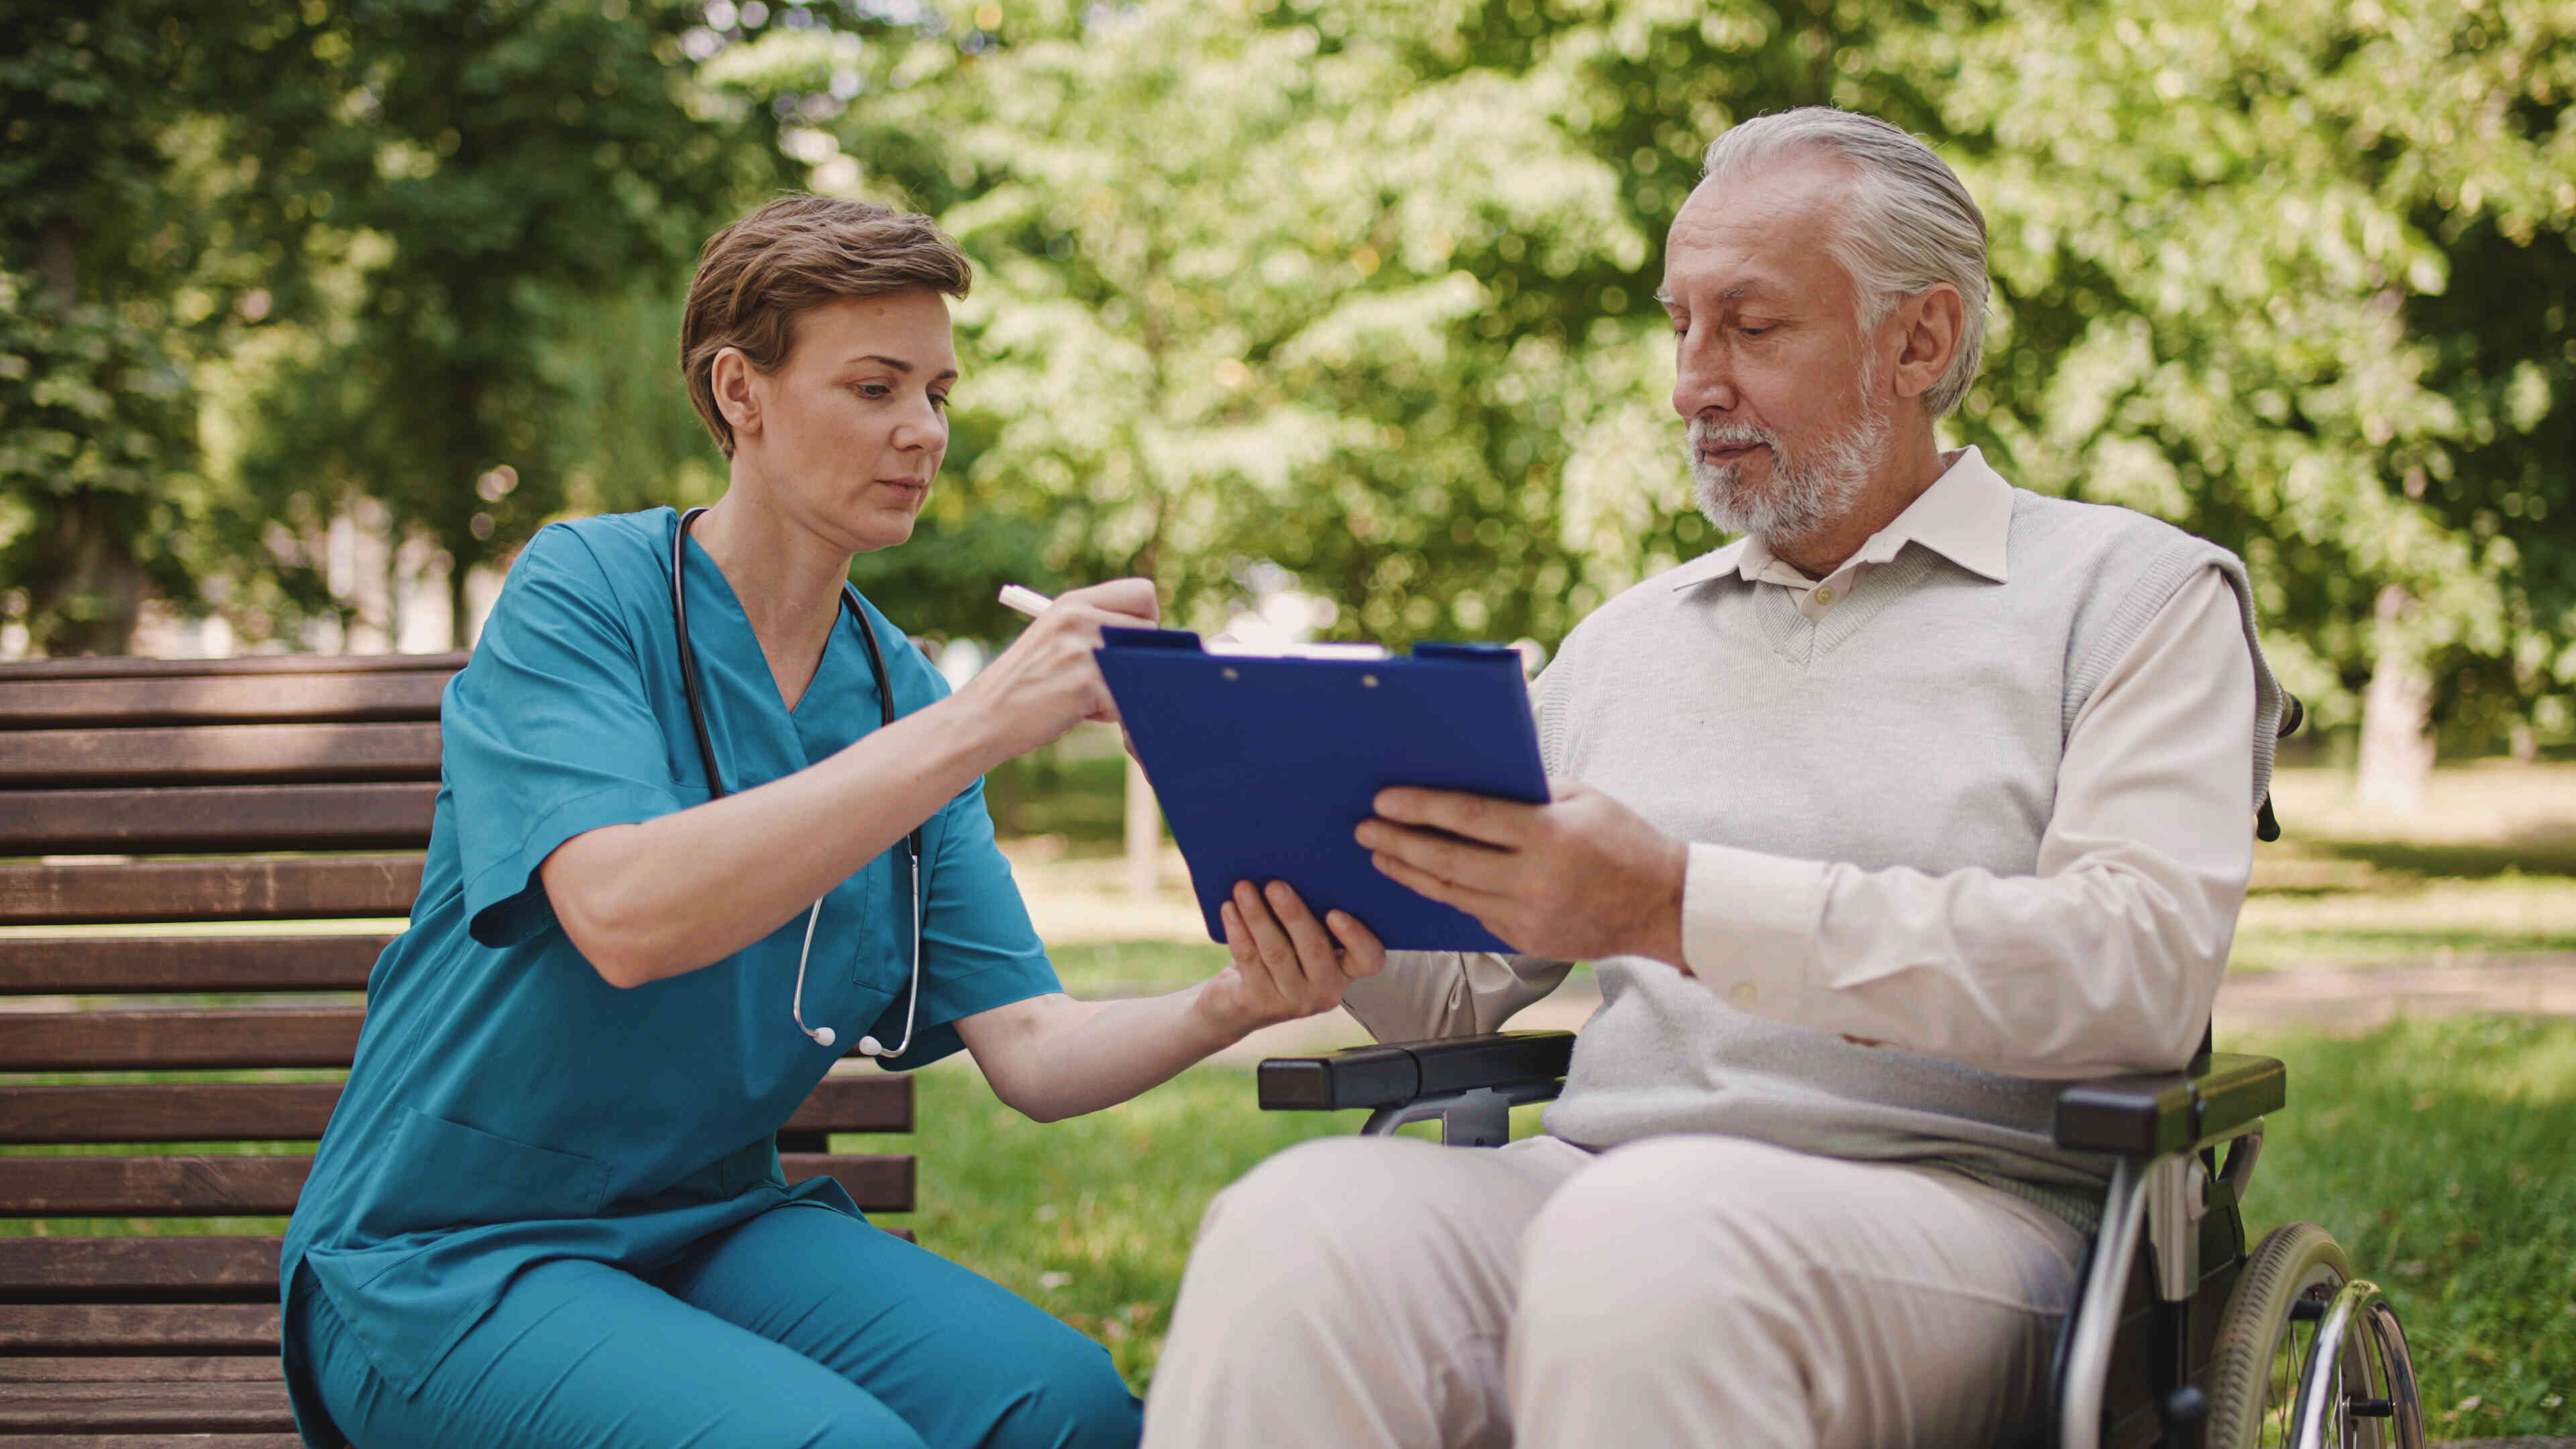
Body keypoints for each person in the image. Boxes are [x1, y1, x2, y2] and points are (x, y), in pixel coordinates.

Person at [1141, 107, 2284, 1448]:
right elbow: (1453, 989)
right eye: (1681, 326)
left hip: (1967, 1213)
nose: (1693, 383)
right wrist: (1281, 839)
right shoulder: (1629, 639)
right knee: (1301, 1225)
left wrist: (1678, 906)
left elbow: (2136, 977)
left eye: (1751, 328)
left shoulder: (2137, 597)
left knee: (1654, 1241)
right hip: (1601, 1179)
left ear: (1917, 341)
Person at [277, 195, 1379, 1449]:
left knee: (1067, 1413)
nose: (923, 432)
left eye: (939, 394)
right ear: (740, 391)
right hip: (448, 1254)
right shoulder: (585, 593)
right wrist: (985, 719)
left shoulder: (898, 690)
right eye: (874, 388)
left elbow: (1033, 1046)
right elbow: (624, 916)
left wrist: (1235, 998)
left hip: (707, 1231)